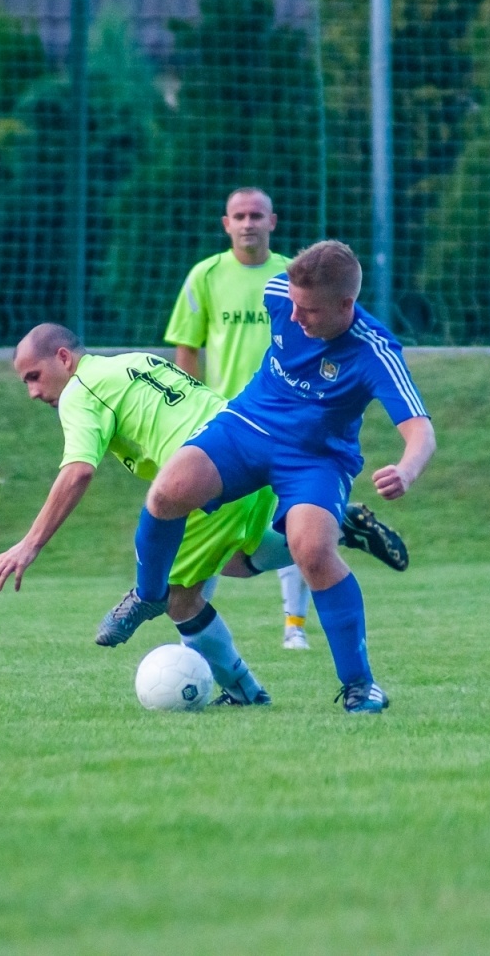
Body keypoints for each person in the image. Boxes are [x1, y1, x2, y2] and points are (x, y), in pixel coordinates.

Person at [130, 241, 436, 713]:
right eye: (292, 305)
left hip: (316, 457)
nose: (294, 318)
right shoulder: (279, 292)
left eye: (309, 310)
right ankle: (147, 596)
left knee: (312, 551)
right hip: (248, 425)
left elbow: (421, 430)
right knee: (169, 491)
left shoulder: (374, 350)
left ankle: (360, 685)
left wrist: (406, 470)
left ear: (346, 305)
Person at [0, 324, 289, 705]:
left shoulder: (80, 390)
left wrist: (30, 545)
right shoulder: (133, 362)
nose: (33, 392)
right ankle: (333, 528)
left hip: (203, 472)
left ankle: (245, 693)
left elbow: (77, 471)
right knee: (233, 560)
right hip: (247, 454)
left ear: (63, 358)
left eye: (34, 377)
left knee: (178, 597)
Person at [164, 187, 408, 651]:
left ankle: (293, 627)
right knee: (226, 549)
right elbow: (187, 346)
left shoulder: (290, 277)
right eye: (239, 215)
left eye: (257, 214)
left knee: (304, 528)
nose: (248, 223)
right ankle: (343, 528)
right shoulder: (206, 276)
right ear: (226, 223)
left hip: (298, 429)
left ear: (273, 221)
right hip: (235, 422)